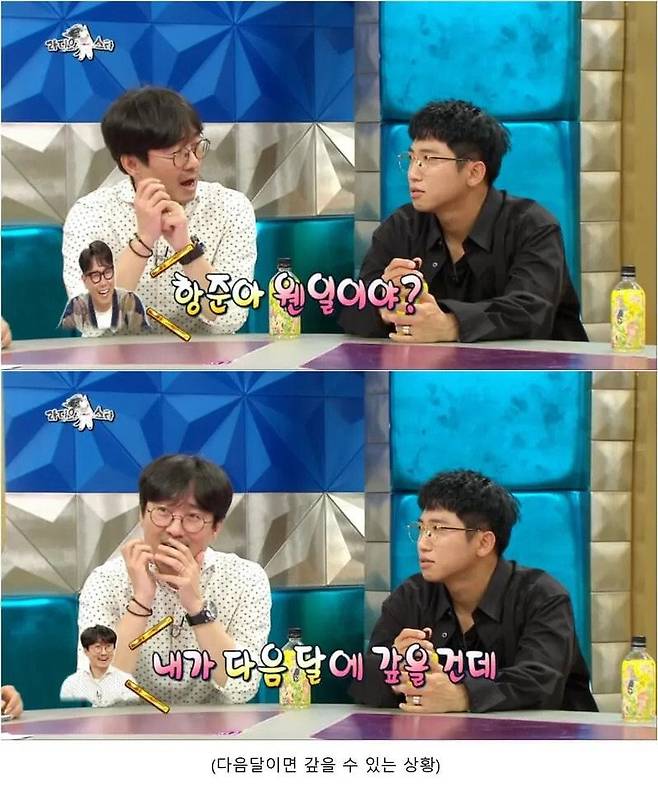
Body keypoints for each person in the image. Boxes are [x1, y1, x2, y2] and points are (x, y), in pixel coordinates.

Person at [340, 100, 588, 344]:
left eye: (430, 159)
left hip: (535, 368)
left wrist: (451, 325)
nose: (413, 173)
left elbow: (531, 311)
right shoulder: (402, 227)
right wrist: (384, 303)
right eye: (412, 158)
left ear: (474, 173)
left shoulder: (532, 226)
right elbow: (352, 309)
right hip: (427, 369)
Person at [351, 470, 597, 713]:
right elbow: (363, 680)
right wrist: (396, 666)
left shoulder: (542, 596)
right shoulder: (412, 596)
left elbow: (541, 683)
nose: (423, 543)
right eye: (422, 528)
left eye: (439, 529)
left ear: (484, 542)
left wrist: (462, 696)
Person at [77, 454, 271, 705]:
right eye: (163, 511)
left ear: (216, 527)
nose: (174, 530)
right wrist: (141, 600)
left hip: (214, 727)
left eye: (193, 517)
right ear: (142, 514)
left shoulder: (246, 579)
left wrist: (196, 608)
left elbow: (242, 688)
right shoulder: (105, 581)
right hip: (125, 726)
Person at [62, 87, 257, 336]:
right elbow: (90, 321)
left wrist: (186, 250)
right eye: (178, 154)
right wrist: (144, 240)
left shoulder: (230, 207)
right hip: (116, 359)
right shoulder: (90, 214)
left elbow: (232, 316)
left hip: (204, 358)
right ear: (131, 163)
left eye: (196, 147)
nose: (194, 163)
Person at [59, 241, 149, 336]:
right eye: (95, 276)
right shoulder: (77, 304)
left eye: (107, 272)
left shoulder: (131, 300)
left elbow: (145, 334)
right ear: (84, 280)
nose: (103, 283)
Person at [60, 625, 136, 706]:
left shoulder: (127, 681)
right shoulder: (71, 683)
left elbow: (133, 711)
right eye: (98, 647)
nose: (104, 653)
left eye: (108, 647)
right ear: (86, 651)